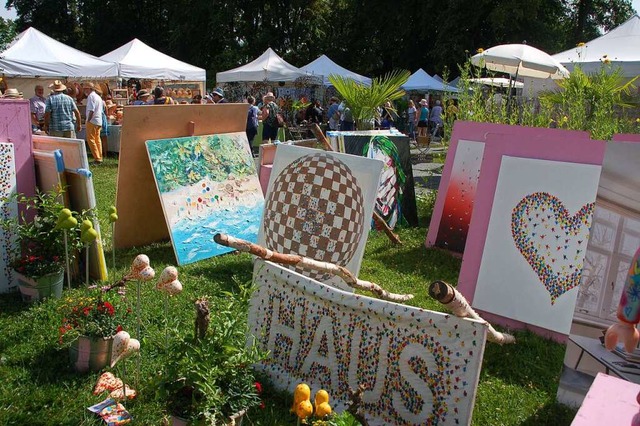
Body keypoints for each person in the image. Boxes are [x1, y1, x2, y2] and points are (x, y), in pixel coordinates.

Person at [83, 82, 104, 164]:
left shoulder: (91, 96)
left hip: (92, 120)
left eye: (85, 89)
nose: (85, 91)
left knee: (91, 139)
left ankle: (97, 158)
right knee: (97, 139)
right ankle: (99, 157)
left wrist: (88, 120)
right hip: (98, 120)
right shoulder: (98, 96)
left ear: (89, 89)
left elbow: (91, 109)